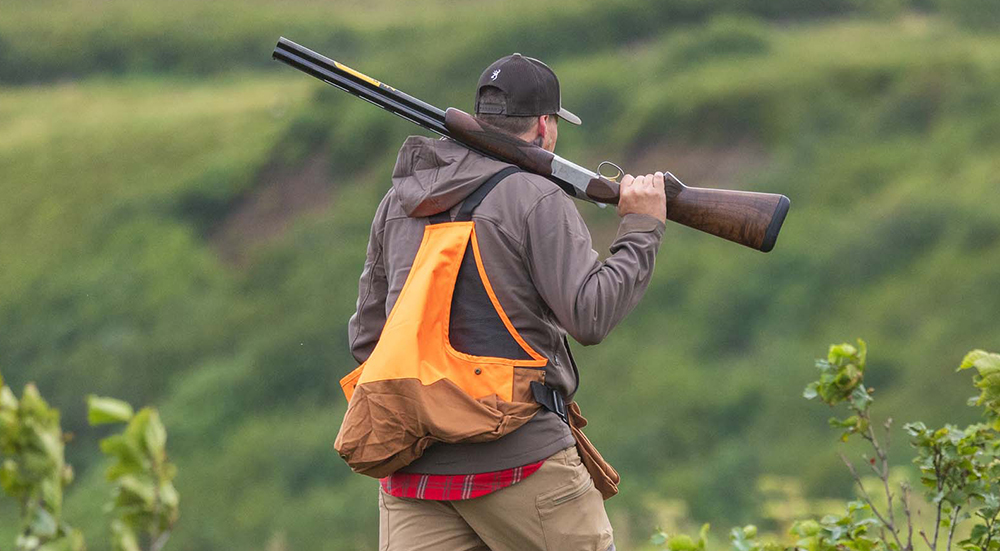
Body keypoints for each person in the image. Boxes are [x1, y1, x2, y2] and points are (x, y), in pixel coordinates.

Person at [346, 52, 667, 551]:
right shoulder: (535, 197)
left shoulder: (399, 201)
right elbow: (591, 314)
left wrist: (433, 409)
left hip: (415, 474)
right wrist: (643, 227)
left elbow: (369, 337)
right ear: (545, 126)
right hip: (523, 465)